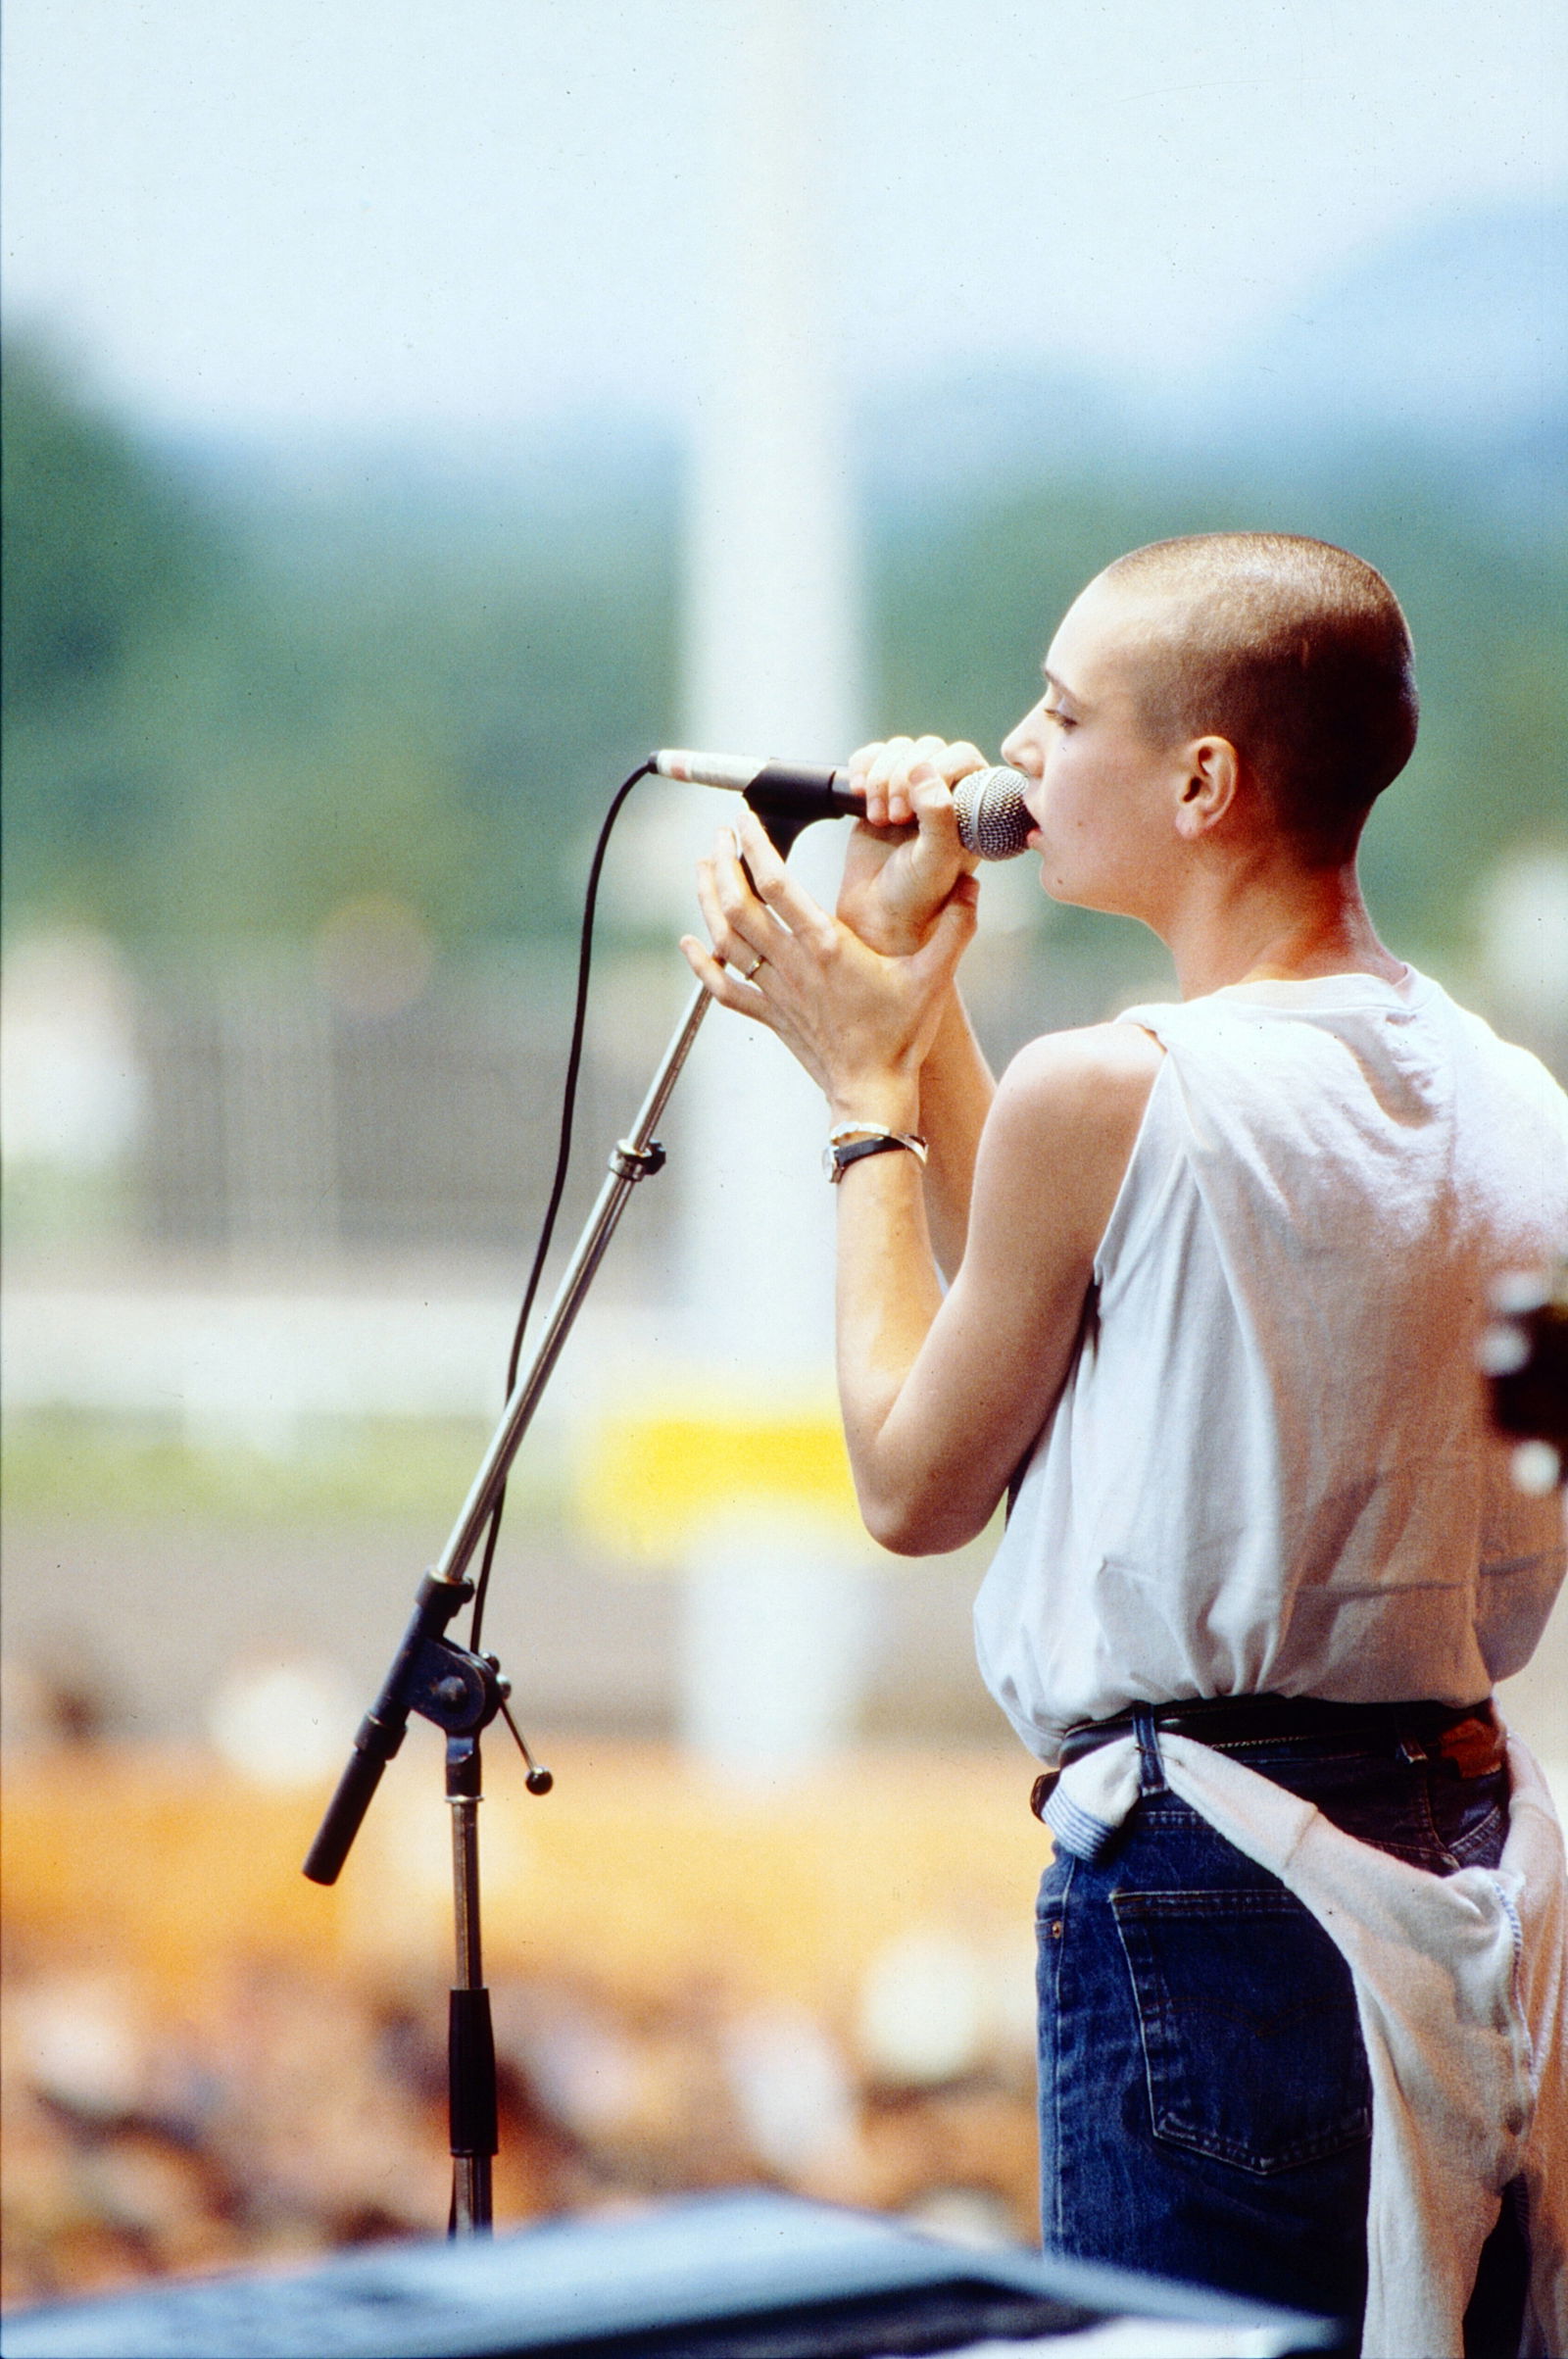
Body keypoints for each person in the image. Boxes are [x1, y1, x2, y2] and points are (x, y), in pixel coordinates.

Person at [679, 532, 1568, 2351]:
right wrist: (915, 1001)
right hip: (1463, 1855)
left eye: (1066, 712)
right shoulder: (1512, 1098)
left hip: (1208, 1885)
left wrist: (865, 1096)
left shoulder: (1115, 1086)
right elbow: (1079, 1291)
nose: (1017, 744)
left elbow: (915, 1479)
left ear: (1203, 781)